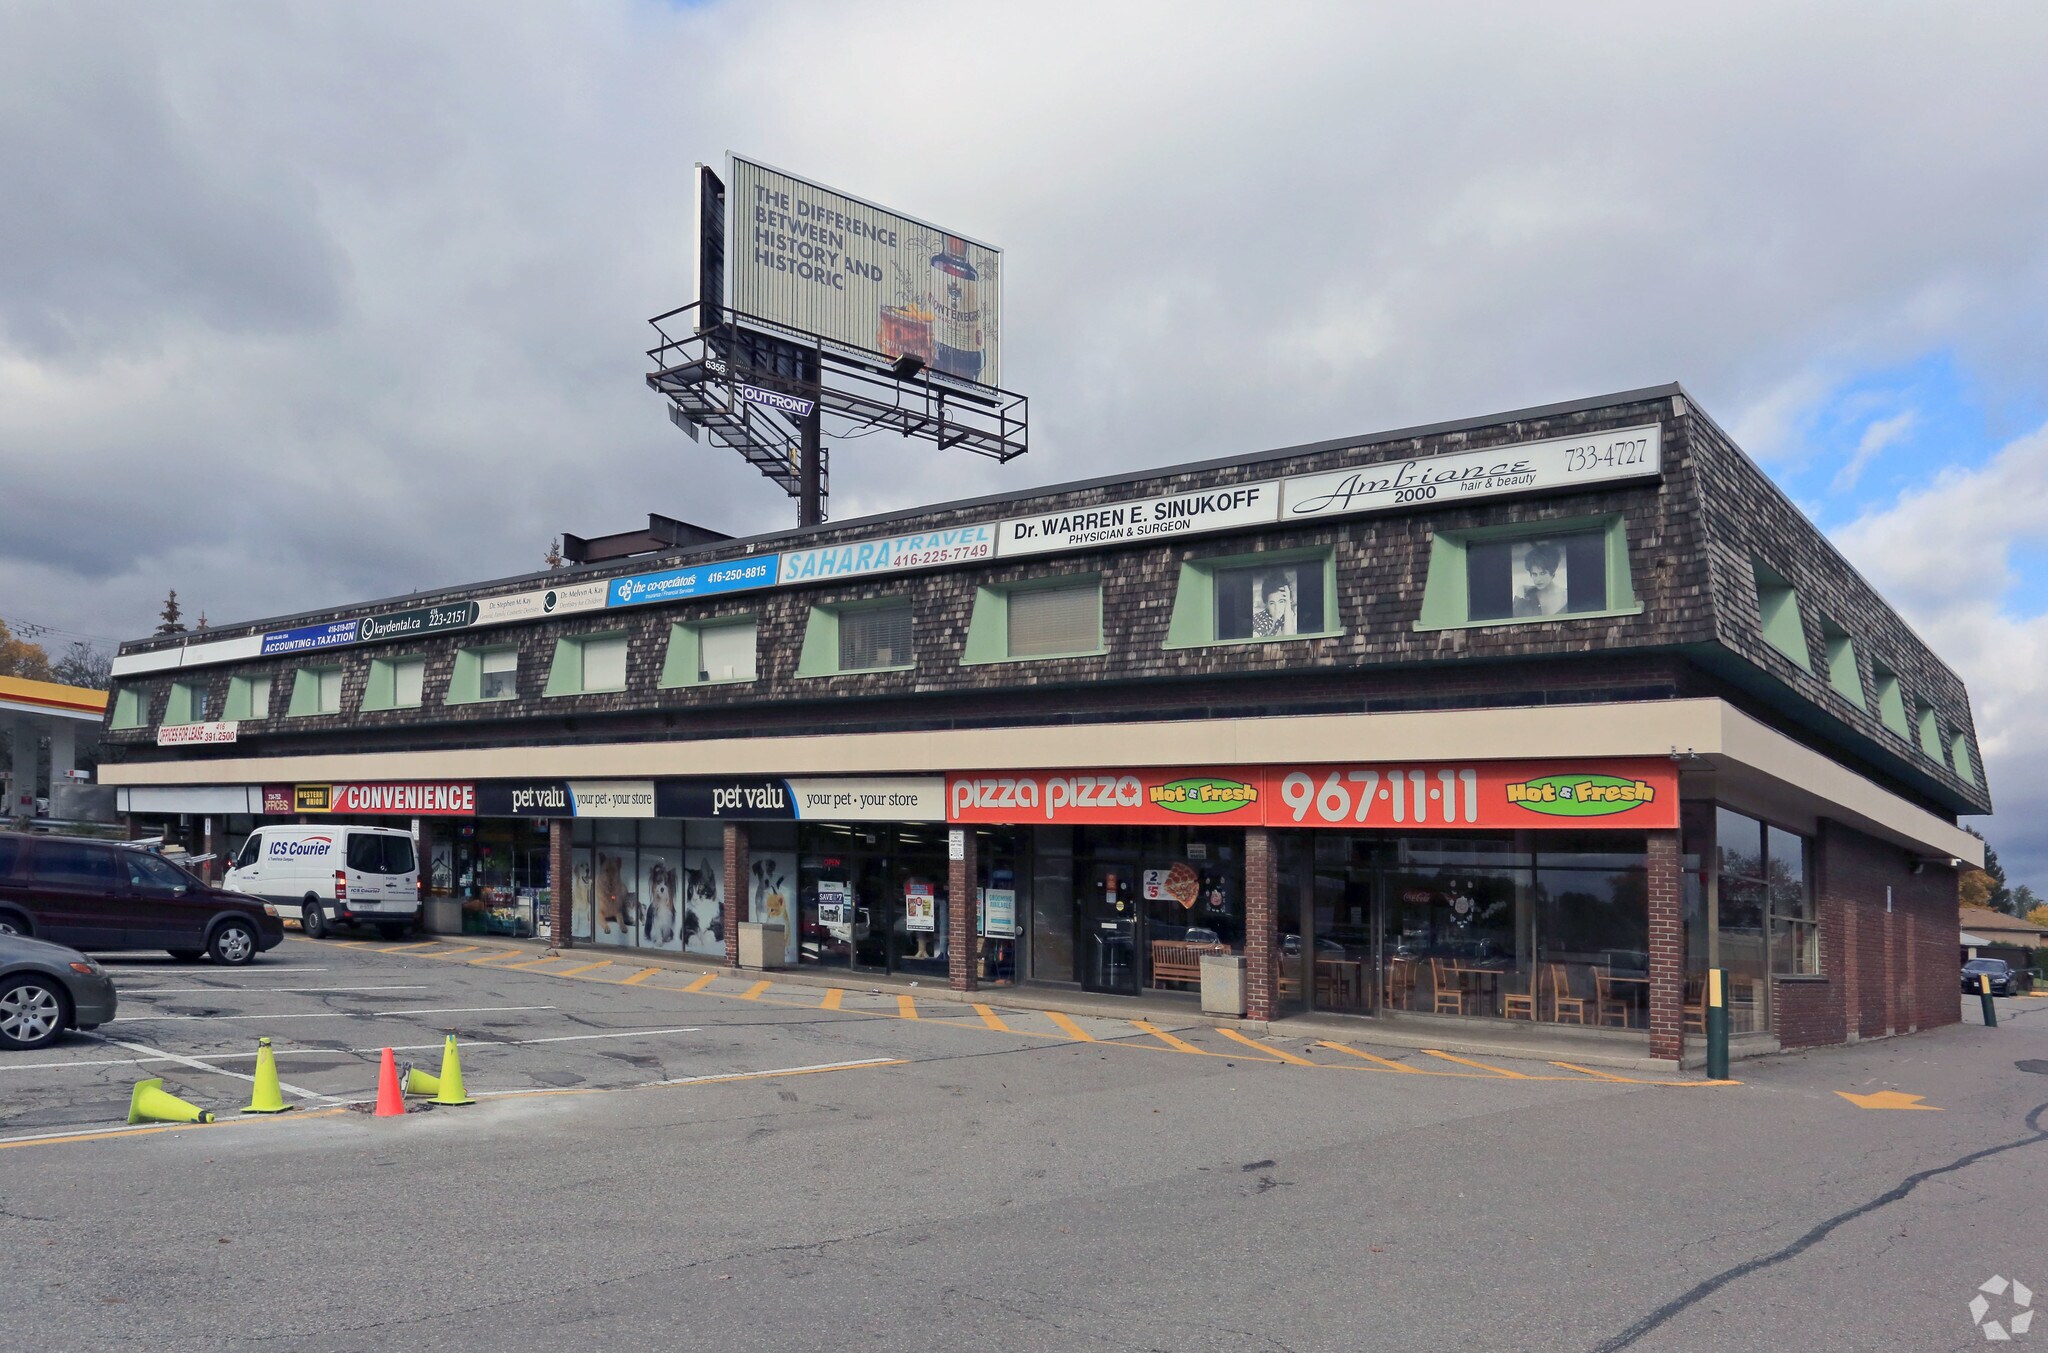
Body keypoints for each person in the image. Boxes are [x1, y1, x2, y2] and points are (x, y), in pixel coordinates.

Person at [1514, 541, 1567, 616]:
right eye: (1534, 574)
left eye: (1542, 573)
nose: (1538, 579)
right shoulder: (1527, 595)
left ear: (1552, 572)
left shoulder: (1565, 596)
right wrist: (1520, 593)